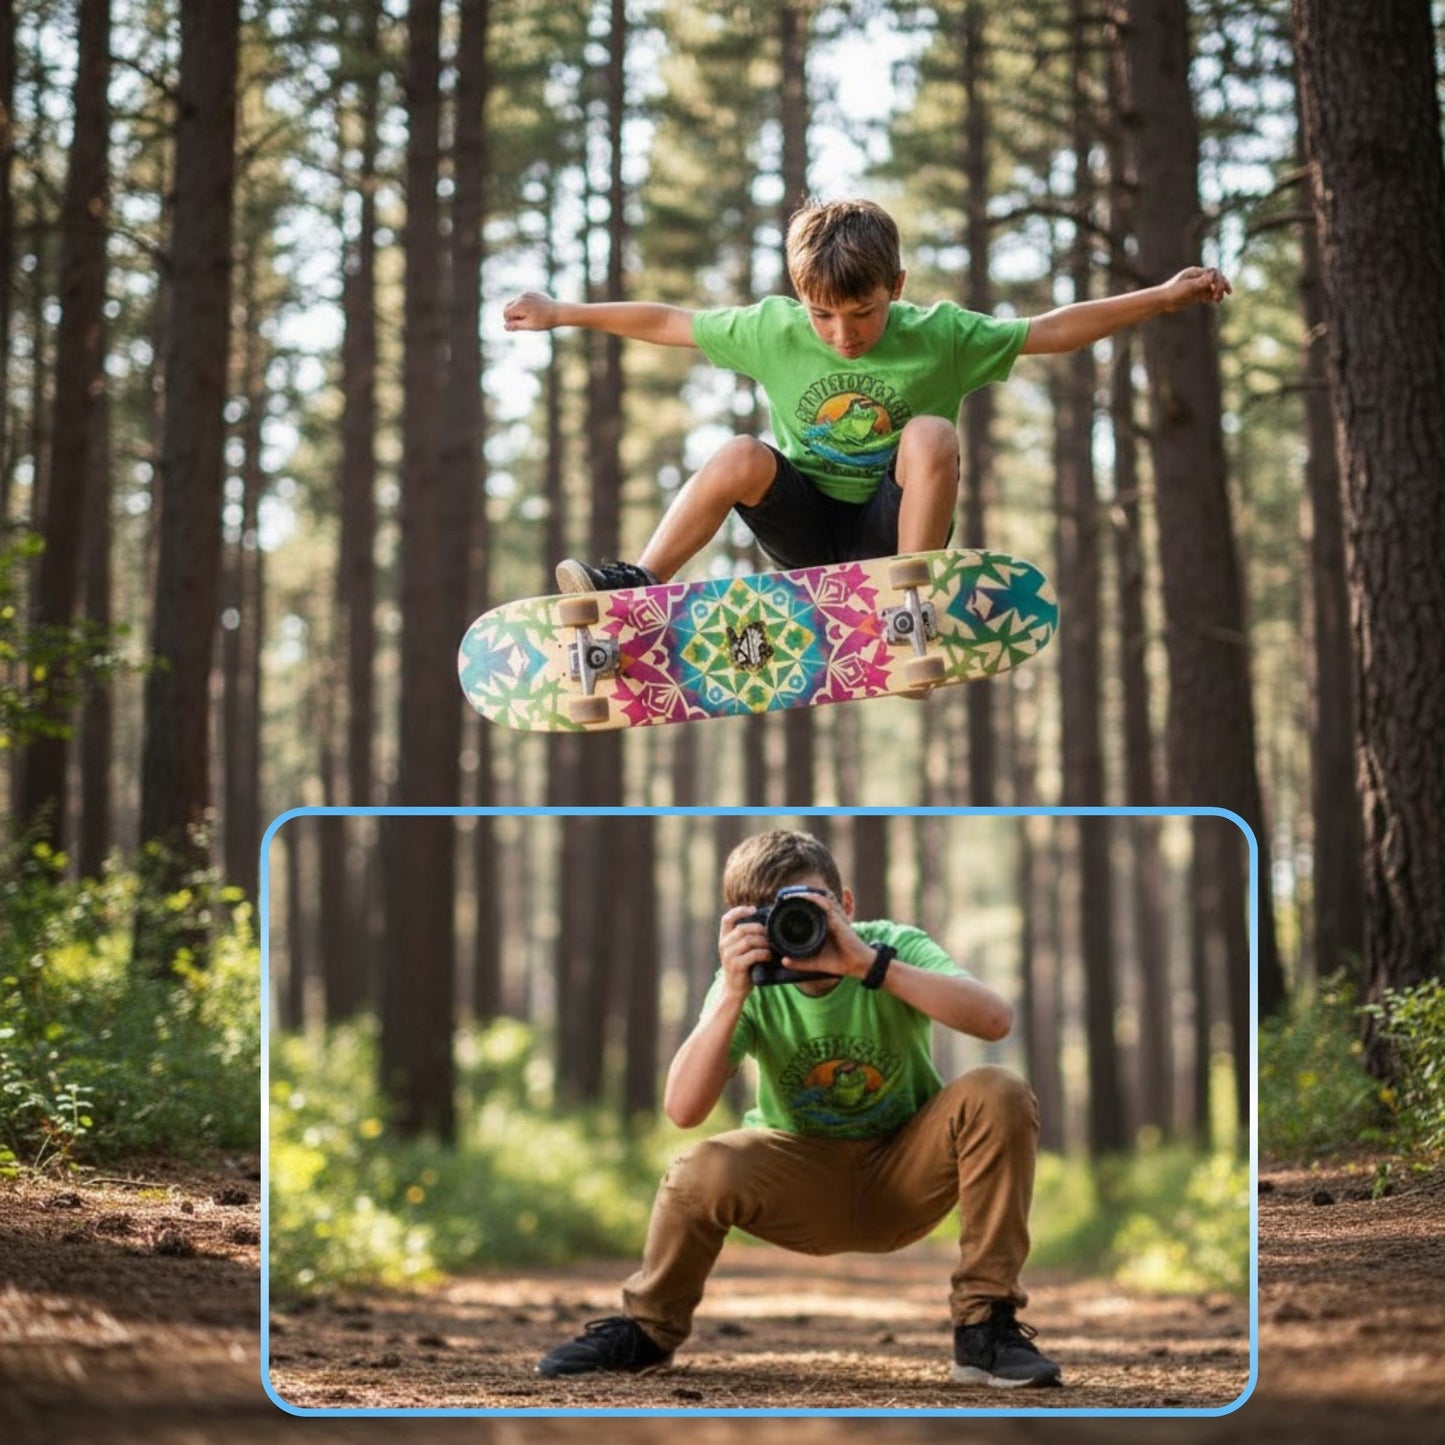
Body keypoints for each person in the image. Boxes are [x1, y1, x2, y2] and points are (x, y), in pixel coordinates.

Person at [536, 829, 1062, 1390]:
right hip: (799, 1178)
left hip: (905, 1170)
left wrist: (869, 965)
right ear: (742, 925)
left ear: (847, 905)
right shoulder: (749, 983)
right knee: (697, 1167)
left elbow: (995, 1021)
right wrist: (735, 992)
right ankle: (648, 1329)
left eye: (811, 908)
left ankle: (984, 1330)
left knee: (999, 1090)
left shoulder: (891, 946)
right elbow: (683, 1109)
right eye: (773, 917)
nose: (797, 930)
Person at [502, 197, 1230, 594]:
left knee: (932, 435)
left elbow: (1052, 331)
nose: (841, 335)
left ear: (896, 289)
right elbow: (668, 320)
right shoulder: (771, 329)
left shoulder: (942, 335)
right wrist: (564, 311)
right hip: (807, 534)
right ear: (800, 298)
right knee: (739, 454)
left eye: (862, 315)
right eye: (822, 316)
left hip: (892, 534)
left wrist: (1161, 298)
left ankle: (909, 594)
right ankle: (636, 585)